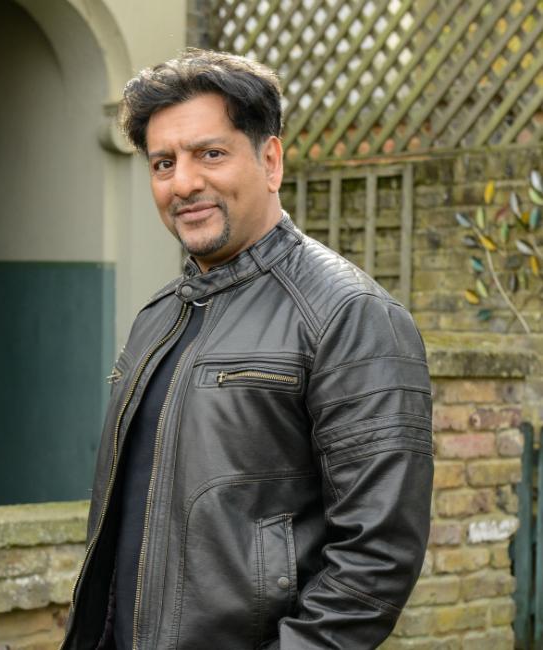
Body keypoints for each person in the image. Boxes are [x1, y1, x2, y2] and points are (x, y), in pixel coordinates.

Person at [62, 49, 433, 650]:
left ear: (270, 160)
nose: (184, 183)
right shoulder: (158, 316)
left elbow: (377, 559)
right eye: (163, 163)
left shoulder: (349, 314)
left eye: (210, 154)